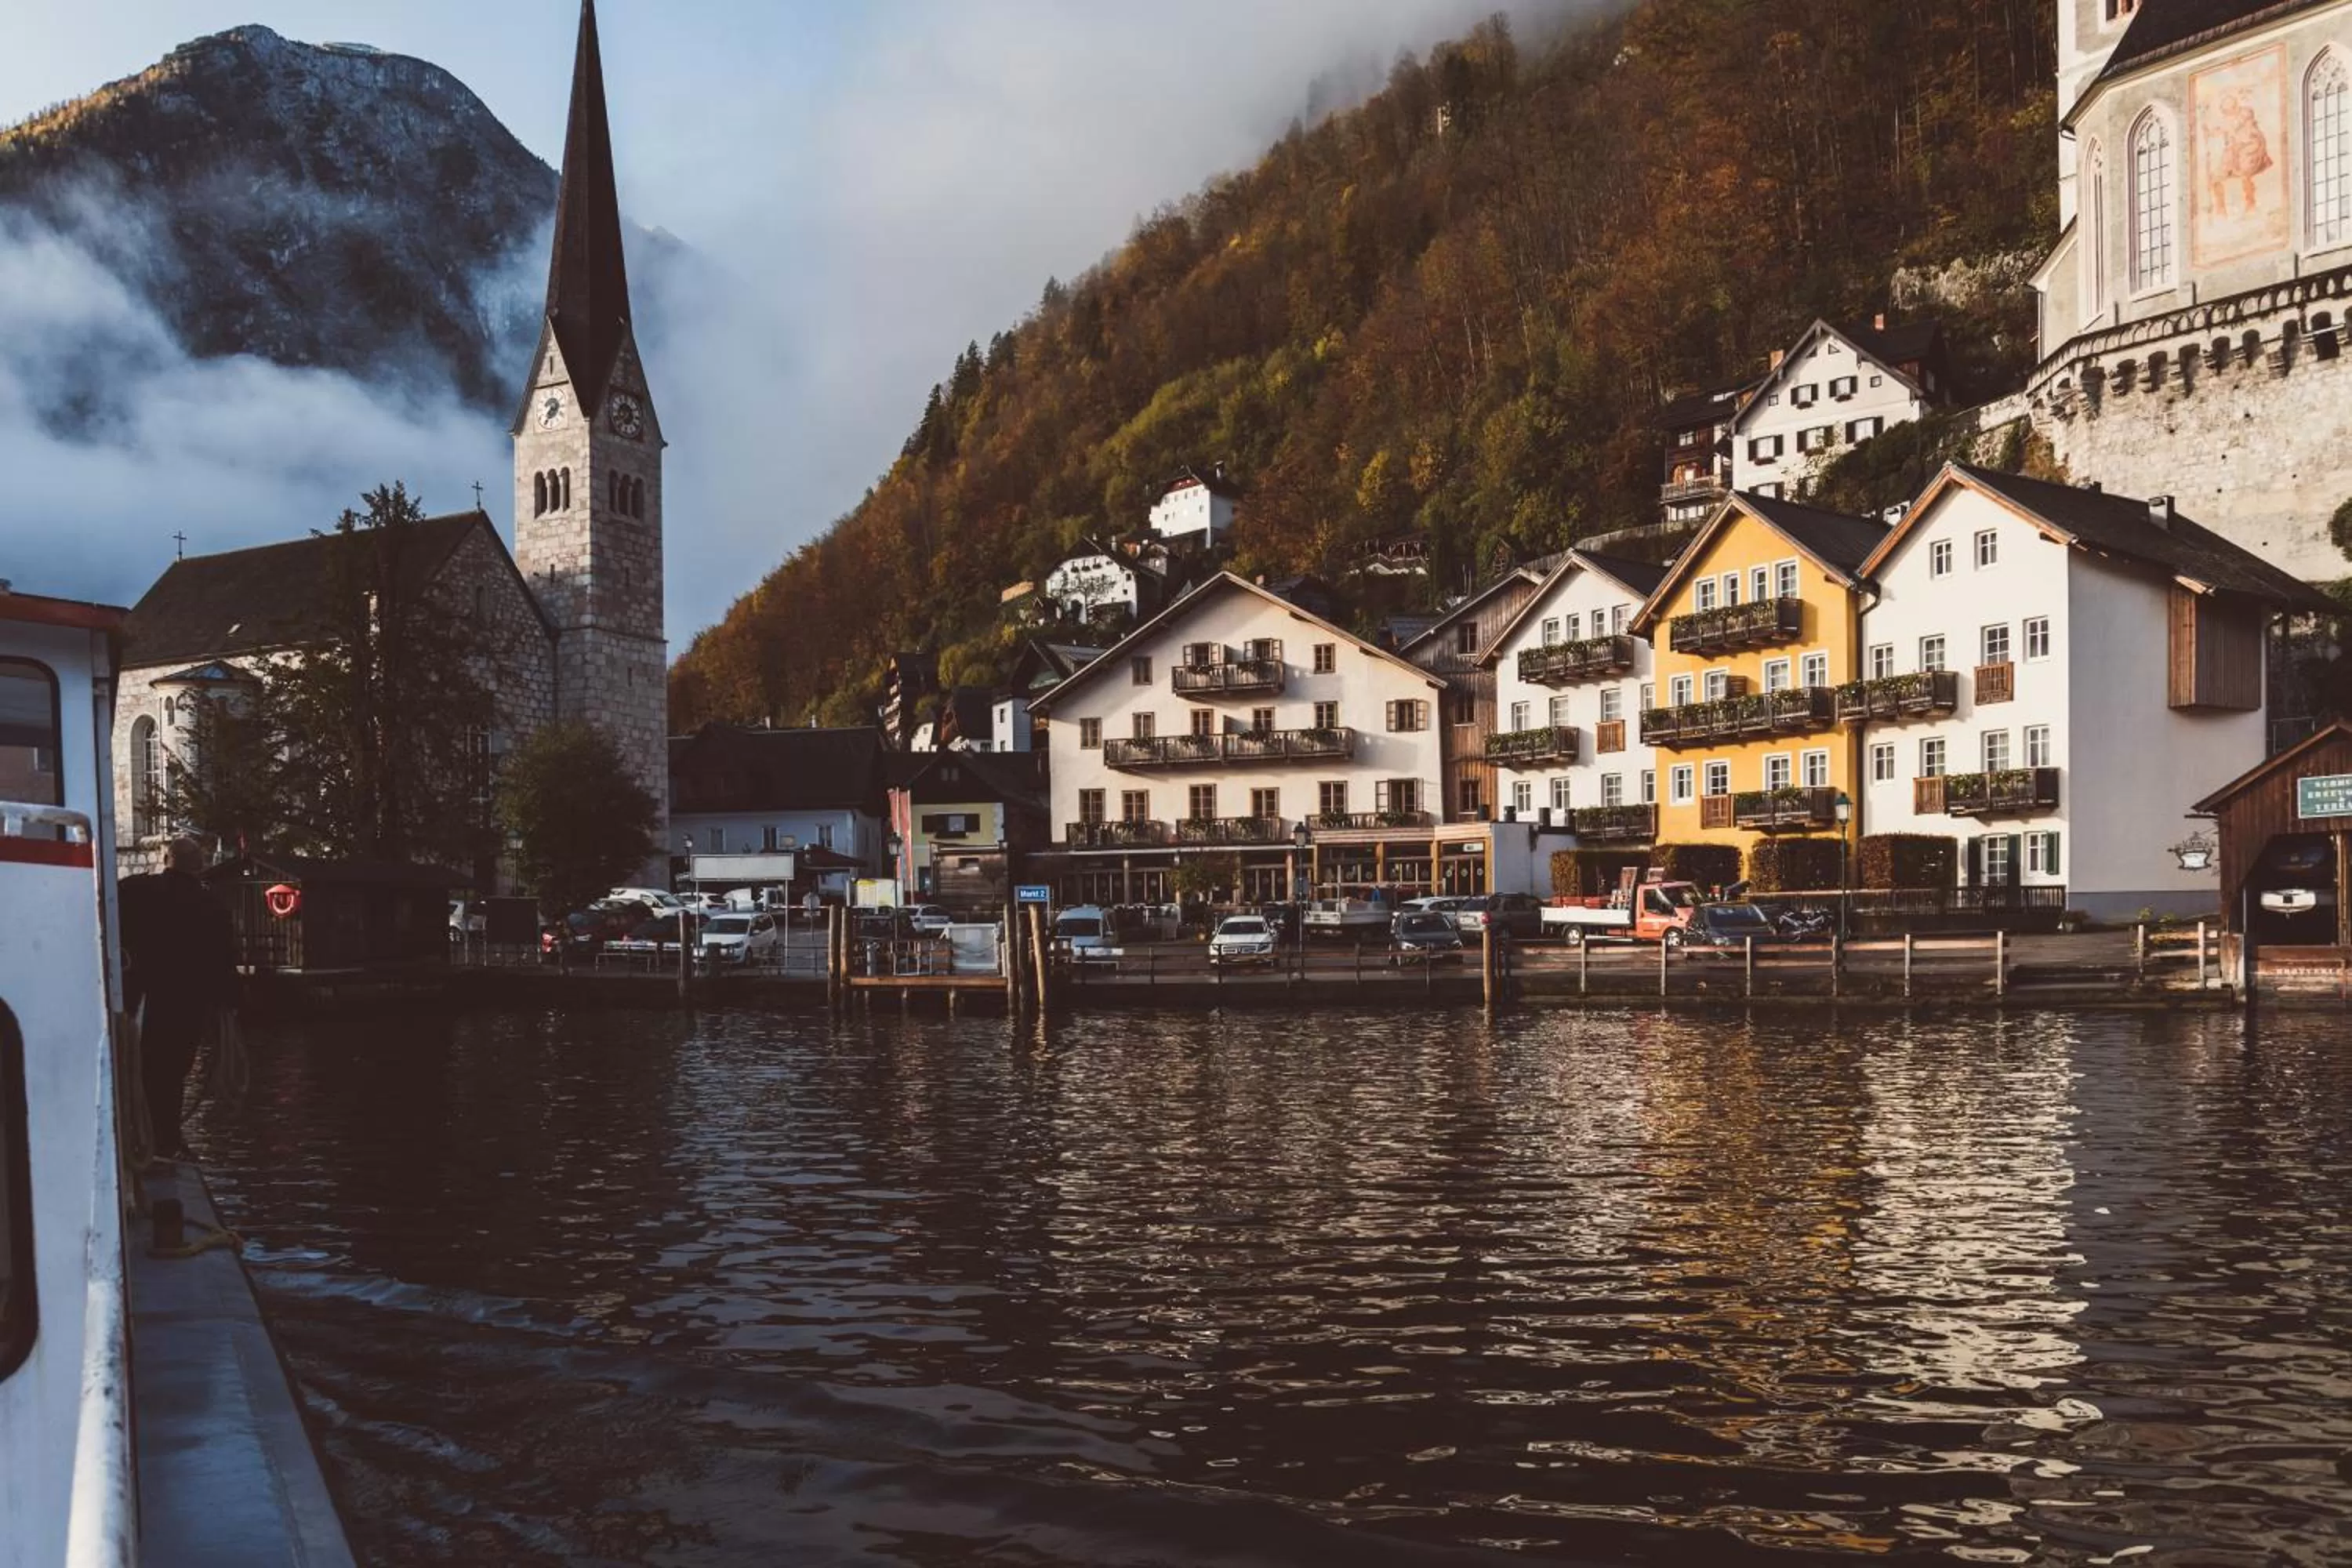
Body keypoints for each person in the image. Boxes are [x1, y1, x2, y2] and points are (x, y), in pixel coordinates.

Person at [118, 838, 238, 1159]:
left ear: (166, 859)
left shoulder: (137, 890)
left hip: (142, 995)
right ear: (199, 865)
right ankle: (165, 1138)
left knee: (147, 1068)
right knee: (173, 1070)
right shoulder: (211, 904)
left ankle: (149, 1134)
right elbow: (224, 958)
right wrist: (228, 1001)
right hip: (188, 1000)